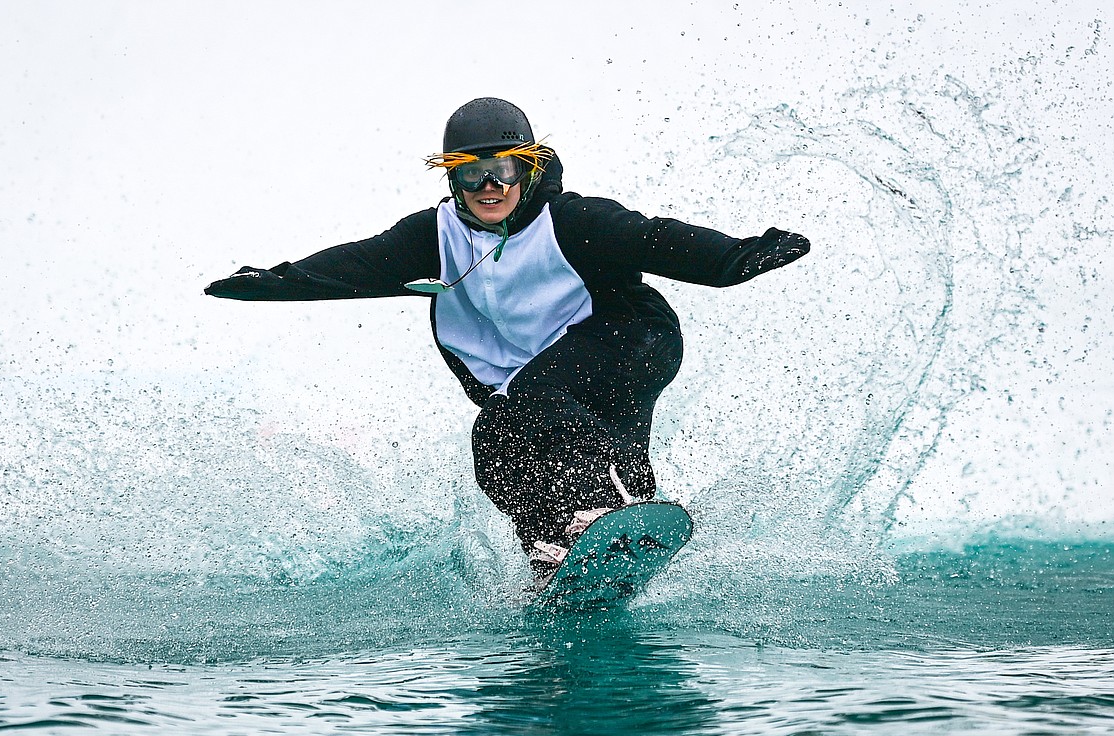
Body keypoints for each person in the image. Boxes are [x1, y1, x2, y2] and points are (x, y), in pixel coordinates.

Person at [205, 97, 810, 579]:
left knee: (532, 408)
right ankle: (550, 553)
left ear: (528, 169)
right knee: (495, 438)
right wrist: (274, 282)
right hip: (550, 378)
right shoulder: (434, 236)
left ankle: (616, 509)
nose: (489, 188)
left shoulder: (571, 220)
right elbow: (356, 266)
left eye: (502, 172)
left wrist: (739, 258)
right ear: (454, 180)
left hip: (629, 342)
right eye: (471, 175)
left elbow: (654, 238)